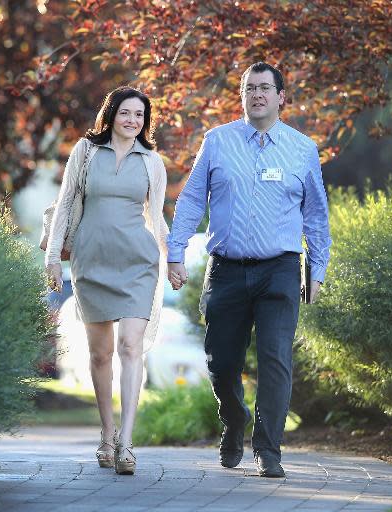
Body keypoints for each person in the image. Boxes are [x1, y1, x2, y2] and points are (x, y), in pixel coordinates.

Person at [166, 62, 332, 478]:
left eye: (264, 88)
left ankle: (268, 450)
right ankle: (235, 419)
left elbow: (316, 216)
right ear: (241, 96)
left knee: (276, 359)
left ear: (281, 97)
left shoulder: (302, 149)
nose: (256, 95)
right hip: (226, 269)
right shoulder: (217, 142)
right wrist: (175, 251)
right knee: (221, 362)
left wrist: (318, 268)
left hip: (279, 269)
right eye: (248, 88)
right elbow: (190, 200)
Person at [45, 86, 169, 475]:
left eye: (140, 115)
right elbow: (65, 203)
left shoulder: (152, 161)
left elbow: (159, 216)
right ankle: (107, 434)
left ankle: (127, 444)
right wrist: (51, 257)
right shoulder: (85, 152)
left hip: (137, 263)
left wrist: (175, 260)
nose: (133, 121)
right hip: (91, 261)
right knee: (100, 354)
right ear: (111, 114)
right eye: (126, 113)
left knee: (131, 348)